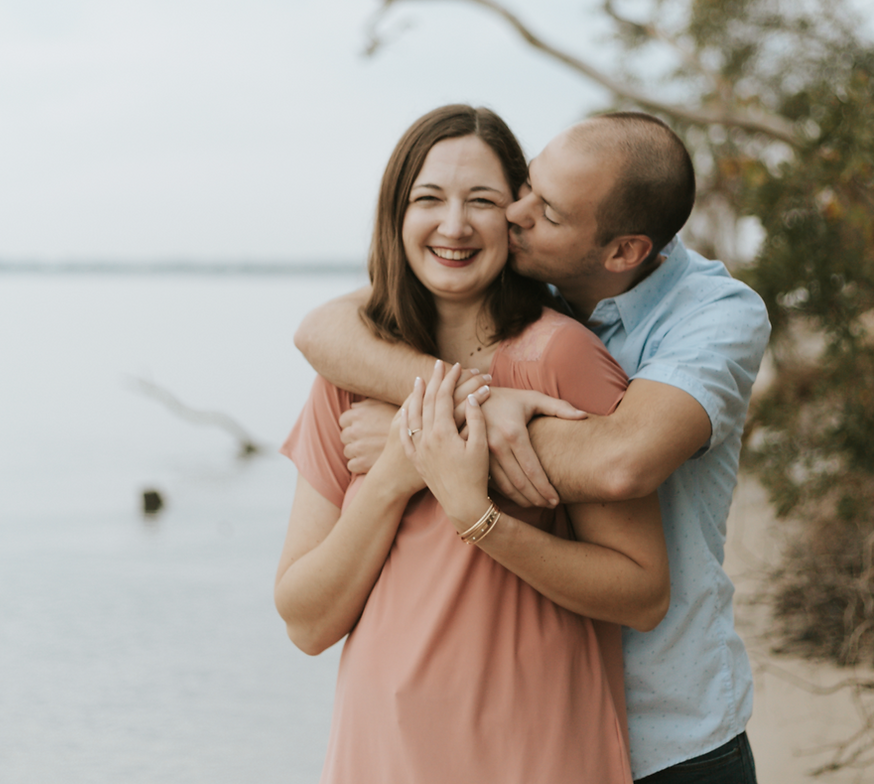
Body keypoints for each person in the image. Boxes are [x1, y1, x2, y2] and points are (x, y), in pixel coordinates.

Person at [295, 111, 771, 784]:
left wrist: (444, 440)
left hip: (672, 731)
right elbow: (322, 330)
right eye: (523, 189)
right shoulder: (529, 282)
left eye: (542, 209)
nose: (514, 215)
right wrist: (460, 398)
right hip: (490, 735)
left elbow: (619, 461)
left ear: (622, 252)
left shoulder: (713, 317)